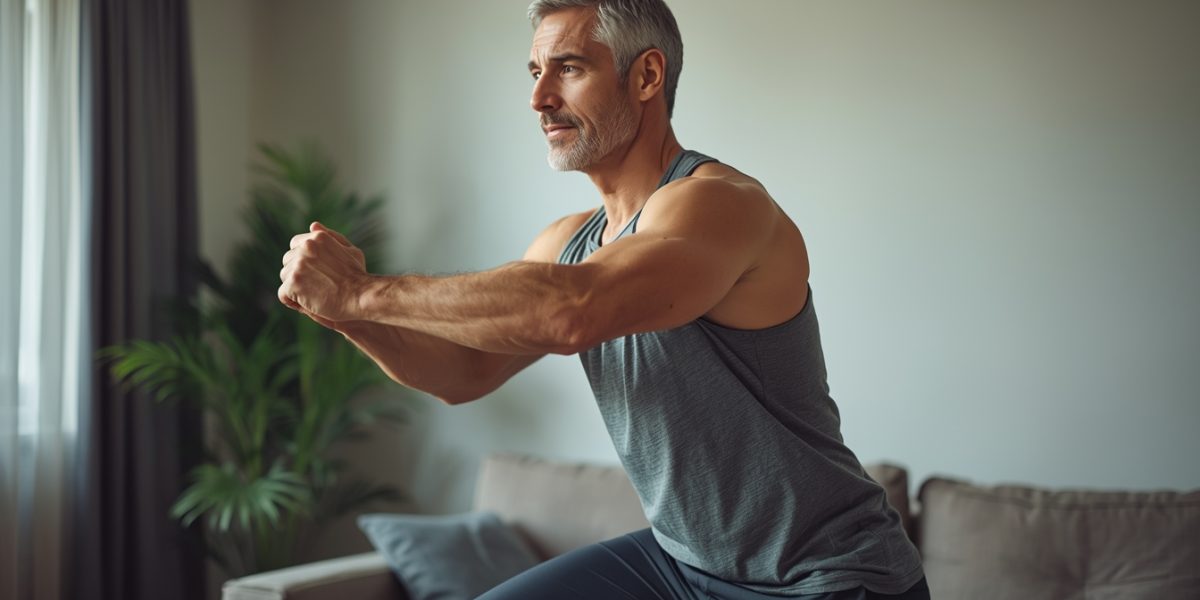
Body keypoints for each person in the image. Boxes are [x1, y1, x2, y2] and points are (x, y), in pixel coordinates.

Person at [278, 1, 930, 598]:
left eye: (568, 68)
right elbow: (462, 372)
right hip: (684, 564)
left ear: (646, 76)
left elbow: (571, 313)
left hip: (828, 574)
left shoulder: (719, 206)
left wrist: (363, 289)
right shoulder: (568, 243)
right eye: (534, 70)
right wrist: (344, 312)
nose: (538, 97)